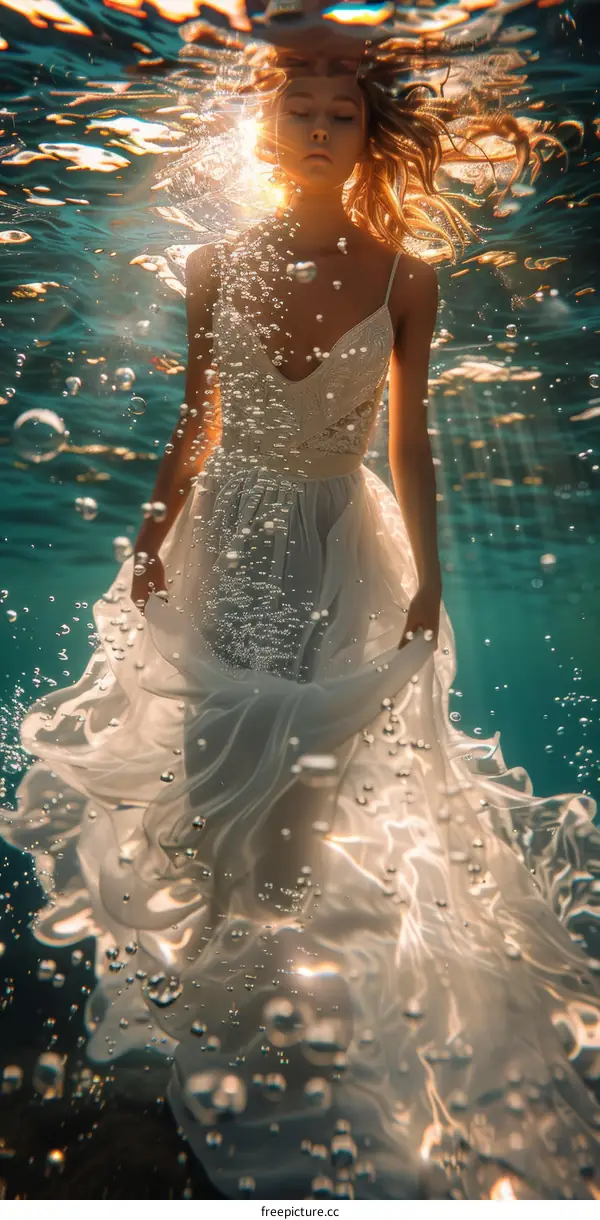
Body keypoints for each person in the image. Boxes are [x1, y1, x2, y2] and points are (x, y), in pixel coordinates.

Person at [6, 47, 600, 1203]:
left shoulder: (409, 275)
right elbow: (197, 417)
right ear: (266, 129)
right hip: (224, 535)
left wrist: (429, 575)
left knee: (302, 795)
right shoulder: (212, 260)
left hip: (343, 550)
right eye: (301, 111)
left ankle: (279, 1055)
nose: (322, 128)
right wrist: (151, 530)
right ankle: (212, 1033)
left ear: (370, 136)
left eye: (343, 113)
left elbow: (409, 442)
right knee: (204, 777)